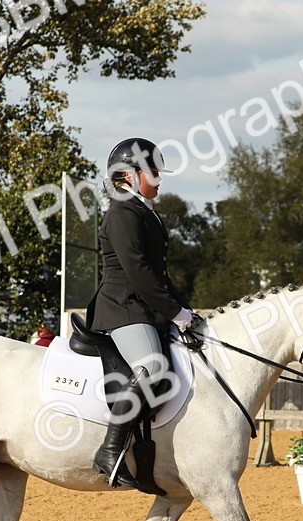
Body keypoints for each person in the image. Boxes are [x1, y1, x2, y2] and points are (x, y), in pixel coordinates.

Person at [88, 137, 196, 488]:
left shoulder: (143, 211)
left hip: (143, 309)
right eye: (153, 172)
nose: (159, 179)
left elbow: (160, 274)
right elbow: (138, 271)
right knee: (151, 367)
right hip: (123, 308)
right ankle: (110, 448)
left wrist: (185, 311)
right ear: (131, 175)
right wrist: (173, 310)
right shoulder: (122, 212)